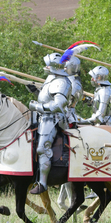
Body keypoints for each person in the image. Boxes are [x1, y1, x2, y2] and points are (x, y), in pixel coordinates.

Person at [27, 53, 72, 195]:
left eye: (48, 64)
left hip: (53, 119)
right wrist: (36, 92)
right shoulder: (52, 78)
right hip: (42, 117)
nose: (45, 66)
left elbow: (57, 105)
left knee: (42, 148)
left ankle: (43, 183)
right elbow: (47, 98)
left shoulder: (62, 82)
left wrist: (36, 106)